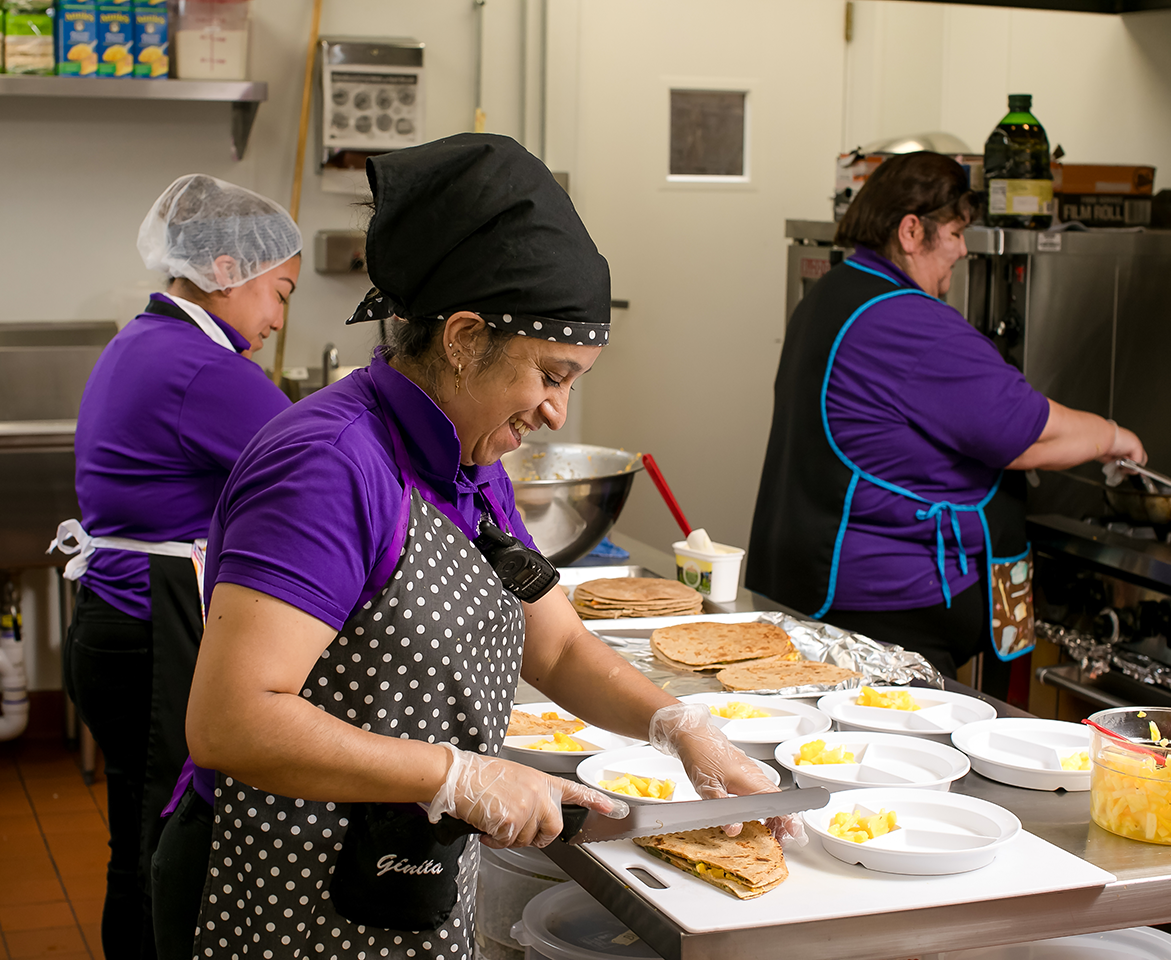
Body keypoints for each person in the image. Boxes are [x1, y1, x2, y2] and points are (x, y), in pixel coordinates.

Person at [158, 133, 795, 960]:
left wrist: (679, 727)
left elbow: (557, 644)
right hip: (277, 876)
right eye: (551, 375)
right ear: (462, 339)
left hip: (397, 872)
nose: (559, 412)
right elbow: (232, 721)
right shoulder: (328, 466)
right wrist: (454, 775)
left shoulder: (469, 456)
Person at [747, 151, 1147, 686]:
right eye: (956, 232)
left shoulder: (833, 292)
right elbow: (1024, 434)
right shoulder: (906, 321)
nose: (962, 249)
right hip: (886, 607)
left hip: (815, 584)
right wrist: (1114, 436)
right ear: (912, 231)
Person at [53, 174, 302, 960]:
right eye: (281, 292)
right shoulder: (204, 370)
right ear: (227, 270)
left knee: (137, 837)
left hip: (115, 623)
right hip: (152, 630)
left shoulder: (149, 340)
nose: (278, 319)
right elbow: (324, 466)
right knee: (163, 846)